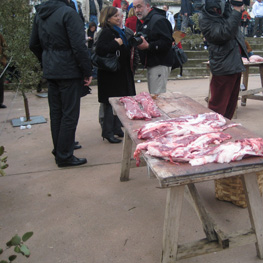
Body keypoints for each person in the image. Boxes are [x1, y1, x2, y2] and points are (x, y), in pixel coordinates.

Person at [29, 0, 92, 167]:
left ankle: (61, 148)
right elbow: (79, 46)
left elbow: (33, 44)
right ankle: (64, 155)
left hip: (52, 70)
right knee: (69, 114)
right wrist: (87, 71)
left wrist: (47, 60)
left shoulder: (41, 14)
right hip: (68, 70)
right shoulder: (68, 13)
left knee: (57, 113)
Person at [199, 0, 248, 120]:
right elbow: (224, 33)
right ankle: (212, 134)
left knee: (230, 109)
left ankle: (224, 134)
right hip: (223, 67)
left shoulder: (224, 11)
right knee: (217, 109)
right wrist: (236, 10)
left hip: (234, 63)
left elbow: (234, 29)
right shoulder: (205, 18)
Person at [96, 6, 136, 142]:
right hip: (111, 75)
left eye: (119, 16)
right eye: (115, 17)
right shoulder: (107, 32)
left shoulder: (117, 31)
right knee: (110, 104)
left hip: (119, 74)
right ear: (108, 19)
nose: (119, 18)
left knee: (119, 102)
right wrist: (116, 43)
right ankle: (107, 132)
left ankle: (117, 128)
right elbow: (100, 50)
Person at [134, 0, 173, 96]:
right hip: (153, 63)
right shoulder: (145, 20)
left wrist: (148, 46)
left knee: (157, 98)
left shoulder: (158, 20)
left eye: (139, 7)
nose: (137, 10)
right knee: (155, 97)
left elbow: (168, 42)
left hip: (159, 63)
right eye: (134, 8)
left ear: (148, 6)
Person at [0, 33, 7, 109]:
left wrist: (3, 59)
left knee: (0, 83)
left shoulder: (0, 35)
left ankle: (0, 102)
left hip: (0, 62)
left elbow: (5, 47)